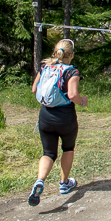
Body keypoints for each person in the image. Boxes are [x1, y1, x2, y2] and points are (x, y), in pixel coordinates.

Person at [28, 39, 88, 206]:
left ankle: (40, 180)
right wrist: (82, 101)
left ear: (55, 52)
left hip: (45, 116)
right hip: (65, 117)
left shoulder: (44, 67)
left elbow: (34, 89)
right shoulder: (72, 72)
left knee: (48, 153)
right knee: (68, 148)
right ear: (72, 54)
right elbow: (72, 95)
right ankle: (64, 183)